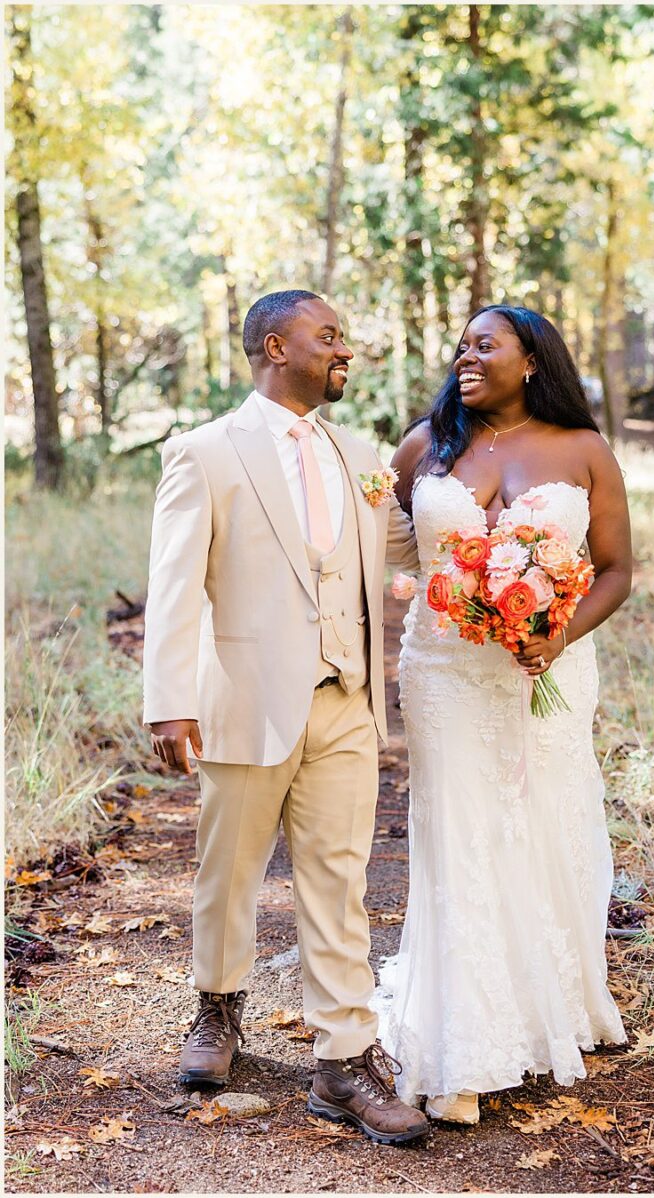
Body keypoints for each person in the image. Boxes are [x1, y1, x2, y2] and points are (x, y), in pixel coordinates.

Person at [143, 289, 430, 1145]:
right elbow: (173, 581)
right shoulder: (205, 453)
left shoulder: (361, 452)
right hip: (244, 698)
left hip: (348, 699)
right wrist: (170, 701)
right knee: (226, 871)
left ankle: (344, 1061)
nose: (346, 348)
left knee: (339, 883)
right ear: (277, 346)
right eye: (328, 336)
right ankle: (217, 1014)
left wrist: (507, 549)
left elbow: (405, 549)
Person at [371, 305, 632, 1125]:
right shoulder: (425, 446)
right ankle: (464, 1046)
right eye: (462, 345)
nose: (467, 355)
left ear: (533, 359)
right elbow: (382, 552)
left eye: (486, 344)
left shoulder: (585, 451)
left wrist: (555, 638)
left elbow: (618, 571)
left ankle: (553, 999)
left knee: (545, 821)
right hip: (445, 668)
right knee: (459, 832)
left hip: (545, 670)